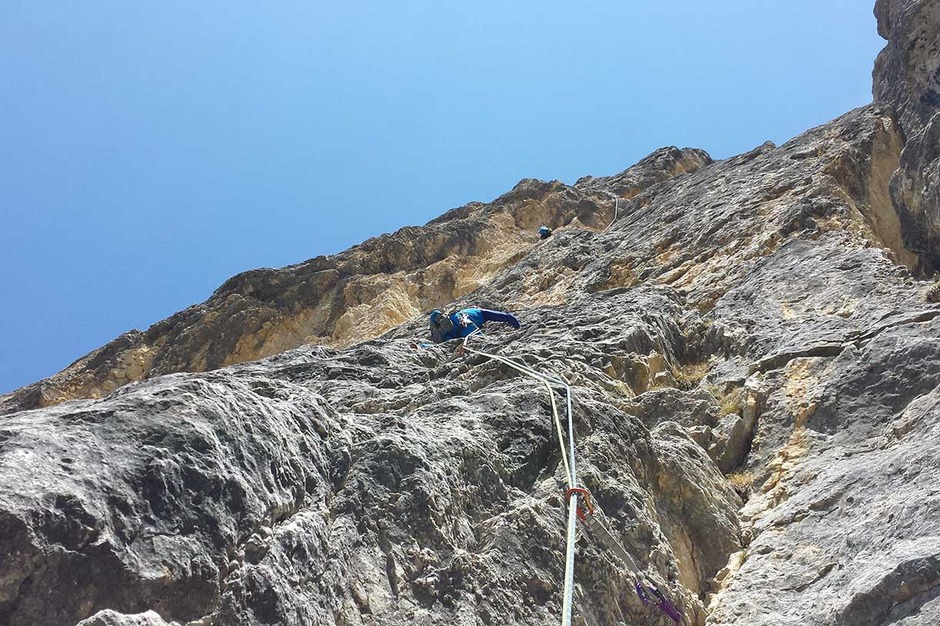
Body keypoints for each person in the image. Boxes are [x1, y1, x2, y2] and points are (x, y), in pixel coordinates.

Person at [428, 307, 521, 343]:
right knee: (498, 316)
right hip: (471, 318)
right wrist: (516, 325)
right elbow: (481, 339)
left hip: (459, 329)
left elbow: (445, 342)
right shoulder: (462, 320)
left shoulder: (459, 324)